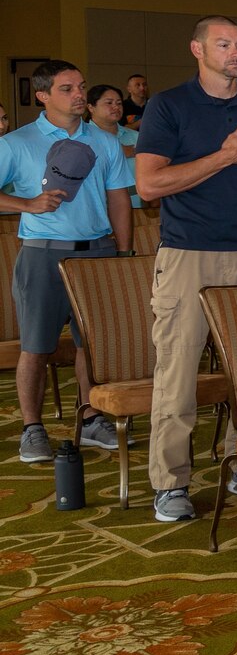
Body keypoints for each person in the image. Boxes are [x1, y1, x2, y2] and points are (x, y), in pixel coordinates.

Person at [136, 16, 237, 521]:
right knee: (178, 372)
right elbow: (149, 186)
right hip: (188, 252)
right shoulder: (169, 105)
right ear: (197, 50)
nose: (234, 53)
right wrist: (223, 157)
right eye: (223, 44)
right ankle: (170, 483)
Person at [1, 60, 133, 464]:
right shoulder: (17, 142)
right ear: (43, 95)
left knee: (91, 345)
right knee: (36, 347)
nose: (79, 94)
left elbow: (118, 199)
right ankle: (31, 427)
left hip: (98, 252)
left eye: (81, 86)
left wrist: (124, 254)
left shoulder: (104, 140)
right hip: (43, 252)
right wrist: (25, 203)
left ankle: (90, 416)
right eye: (67, 88)